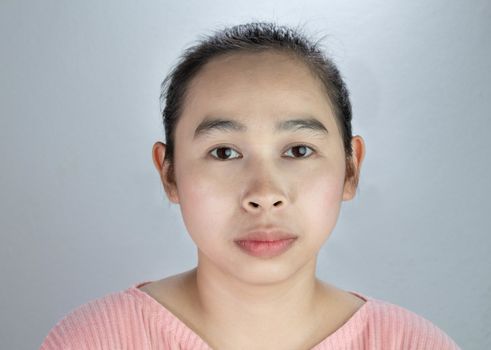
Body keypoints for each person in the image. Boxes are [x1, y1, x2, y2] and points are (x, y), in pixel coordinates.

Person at [40, 21, 461, 350]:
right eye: (224, 152)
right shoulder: (91, 341)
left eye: (298, 150)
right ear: (169, 173)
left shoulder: (414, 344)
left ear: (351, 169)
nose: (264, 193)